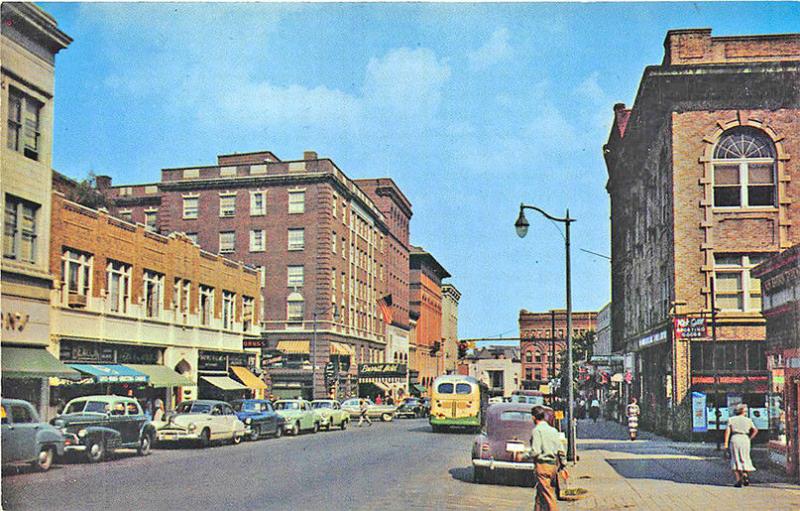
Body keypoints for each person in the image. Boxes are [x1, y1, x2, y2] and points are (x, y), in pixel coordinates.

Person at [529, 405, 567, 511]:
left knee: (548, 495)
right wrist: (563, 465)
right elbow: (561, 450)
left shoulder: (537, 431)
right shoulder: (553, 431)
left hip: (542, 466)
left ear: (533, 417)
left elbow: (535, 451)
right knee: (540, 496)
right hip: (553, 466)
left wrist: (523, 456)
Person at [724, 403, 758, 487]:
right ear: (743, 411)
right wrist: (750, 438)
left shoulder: (731, 419)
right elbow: (755, 430)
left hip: (735, 438)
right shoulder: (748, 420)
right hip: (745, 439)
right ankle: (745, 475)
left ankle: (738, 479)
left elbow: (727, 432)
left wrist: (725, 444)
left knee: (735, 458)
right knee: (745, 457)